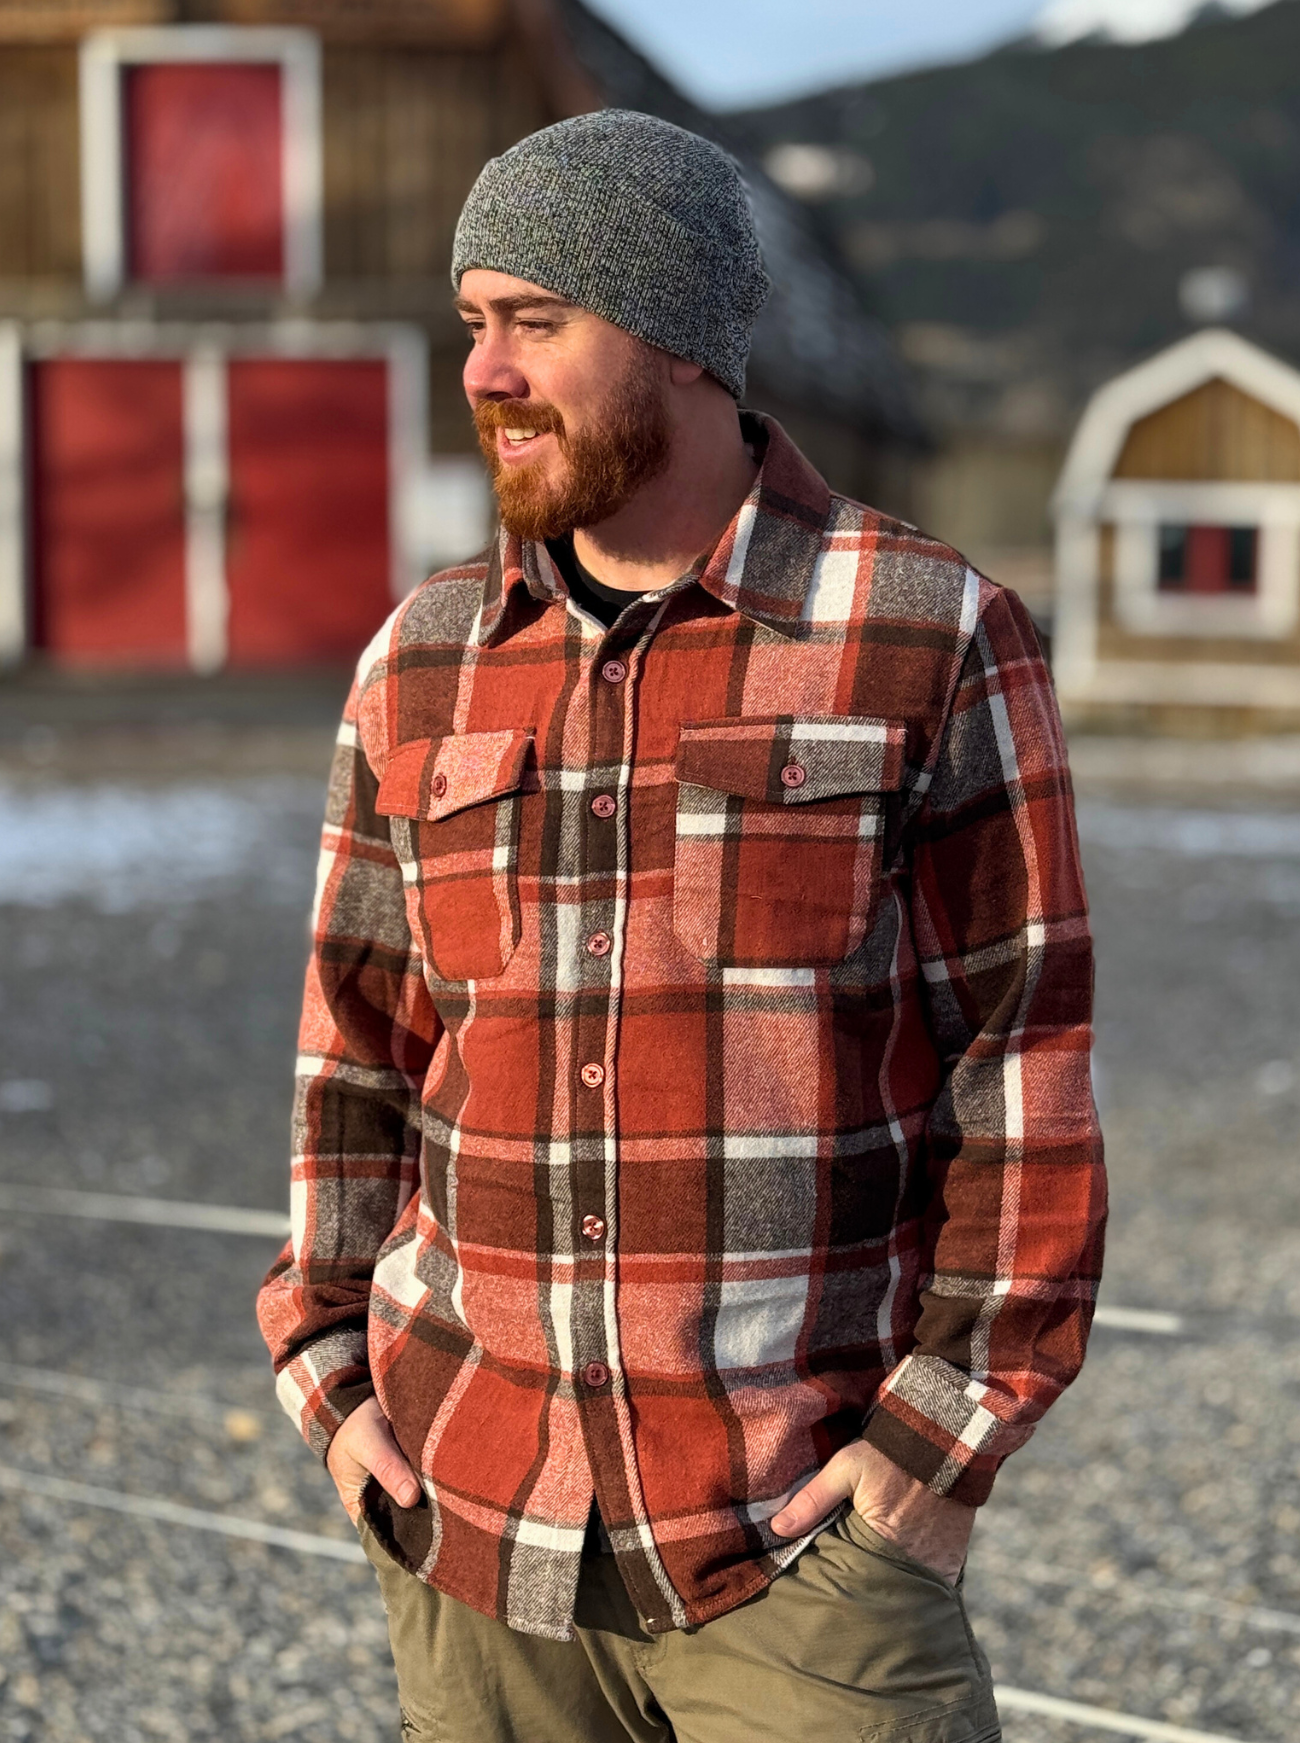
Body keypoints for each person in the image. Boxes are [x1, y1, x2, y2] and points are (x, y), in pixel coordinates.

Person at [257, 109, 1106, 1743]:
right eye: (472, 325)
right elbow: (351, 1056)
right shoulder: (420, 660)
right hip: (472, 1533)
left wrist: (935, 1454)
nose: (483, 374)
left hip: (796, 1547)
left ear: (682, 341)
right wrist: (330, 1377)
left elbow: (1025, 1067)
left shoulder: (924, 631)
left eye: (536, 322)